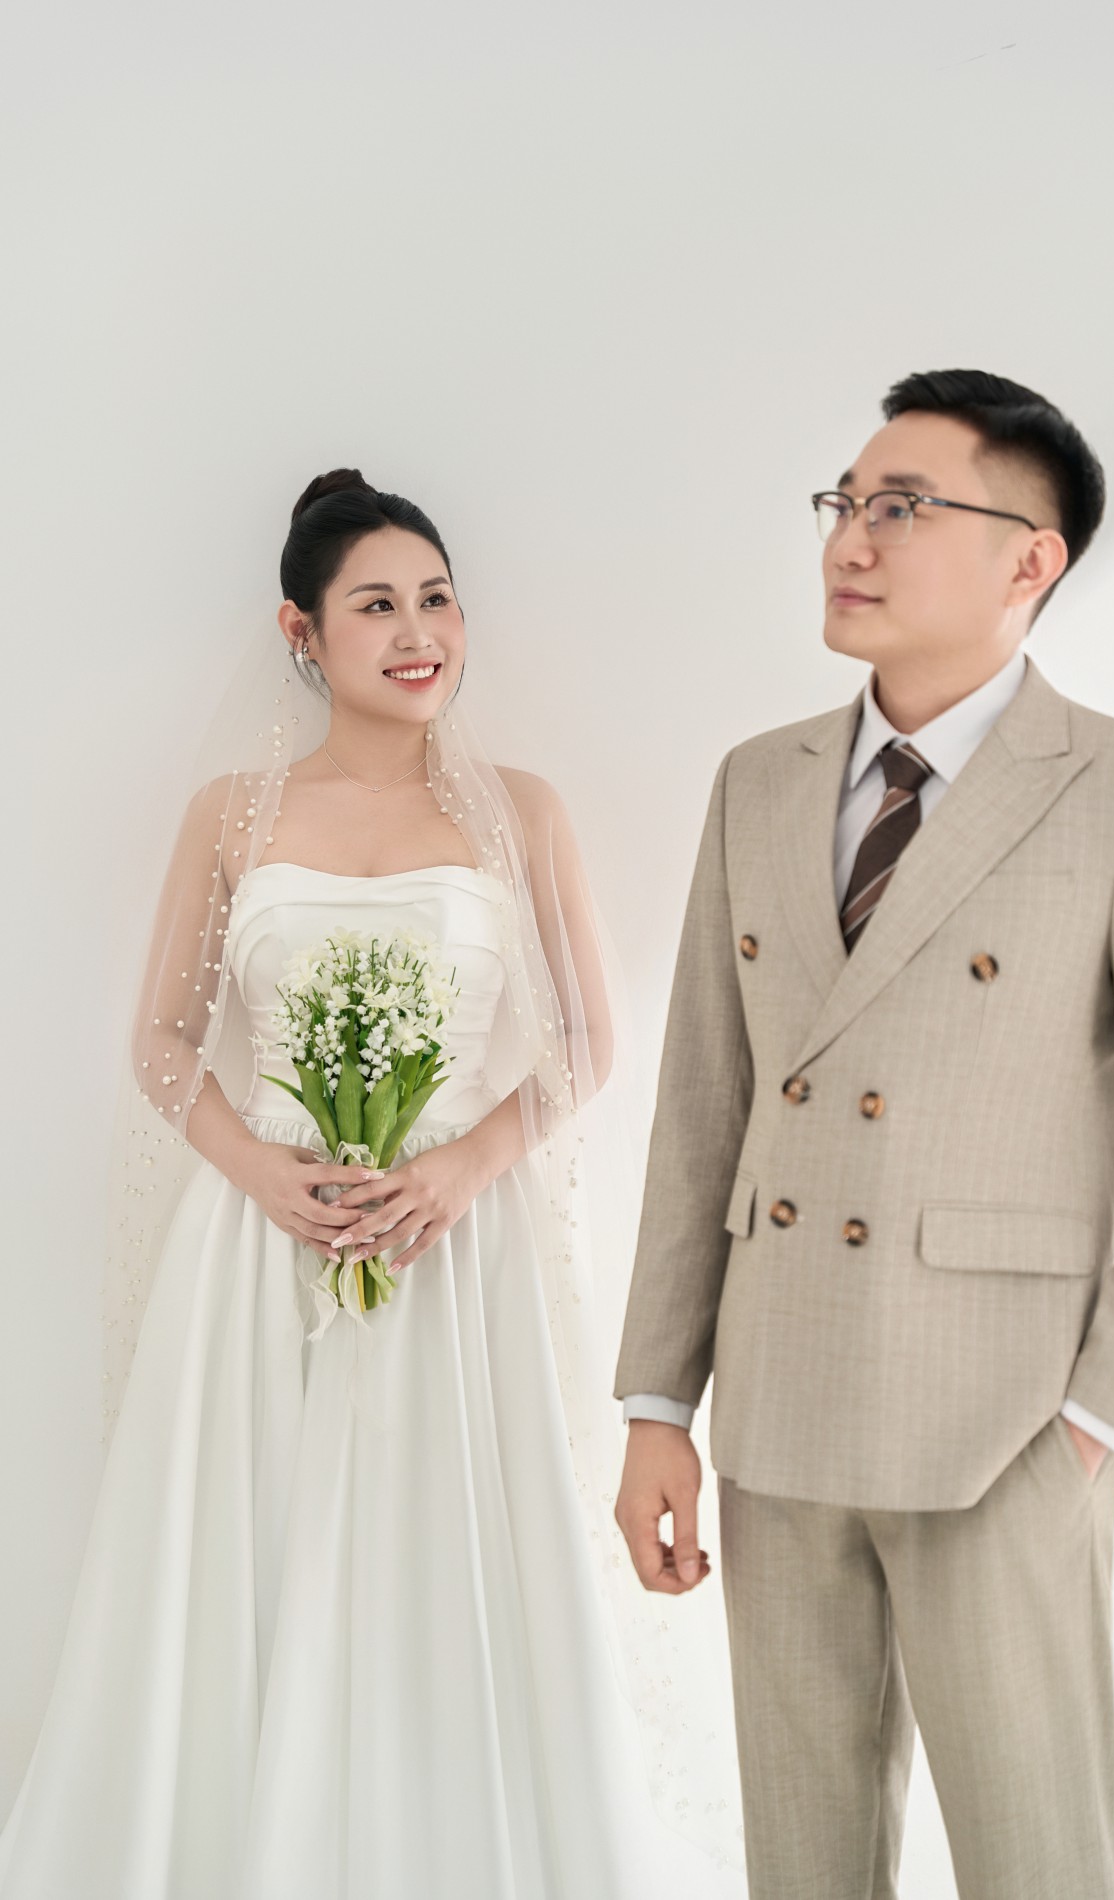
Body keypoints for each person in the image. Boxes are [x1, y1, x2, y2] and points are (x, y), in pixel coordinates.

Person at [0, 471, 745, 1898]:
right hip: (256, 1246)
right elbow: (162, 1042)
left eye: (439, 599)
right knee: (252, 1538)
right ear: (304, 631)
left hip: (450, 1242)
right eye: (379, 605)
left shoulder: (520, 810)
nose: (420, 633)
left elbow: (587, 1042)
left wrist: (463, 1166)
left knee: (447, 1541)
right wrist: (263, 1174)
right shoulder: (233, 813)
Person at [613, 368, 1114, 1899]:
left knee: (1038, 1863)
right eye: (844, 502)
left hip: (1002, 1430)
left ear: (1029, 558)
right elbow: (702, 1106)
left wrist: (1098, 1425)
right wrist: (657, 1402)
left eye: (902, 507)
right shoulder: (757, 782)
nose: (851, 538)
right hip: (778, 1412)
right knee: (804, 1864)